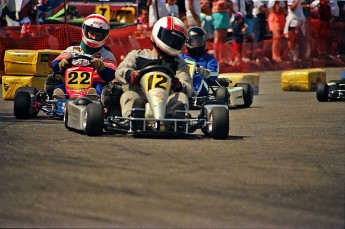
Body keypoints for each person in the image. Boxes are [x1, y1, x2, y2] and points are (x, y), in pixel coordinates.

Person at [115, 16, 193, 120]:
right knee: (128, 95)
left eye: (176, 40)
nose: (172, 42)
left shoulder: (178, 62)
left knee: (182, 98)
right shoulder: (137, 56)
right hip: (140, 97)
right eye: (169, 38)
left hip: (165, 101)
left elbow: (188, 87)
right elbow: (119, 71)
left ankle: (174, 121)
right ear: (158, 33)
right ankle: (132, 119)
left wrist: (178, 86)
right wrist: (130, 74)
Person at [50, 14, 117, 98]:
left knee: (98, 89)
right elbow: (54, 64)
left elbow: (112, 73)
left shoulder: (106, 54)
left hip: (94, 84)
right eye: (92, 33)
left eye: (98, 35)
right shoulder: (72, 50)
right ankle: (59, 104)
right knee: (58, 89)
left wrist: (101, 66)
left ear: (104, 36)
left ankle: (92, 101)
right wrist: (61, 64)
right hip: (70, 86)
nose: (94, 37)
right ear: (85, 31)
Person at [179, 26, 219, 98]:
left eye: (199, 42)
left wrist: (205, 72)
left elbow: (214, 74)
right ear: (188, 42)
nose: (196, 44)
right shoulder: (180, 57)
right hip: (182, 82)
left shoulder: (209, 59)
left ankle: (193, 94)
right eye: (193, 42)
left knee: (197, 78)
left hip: (201, 84)